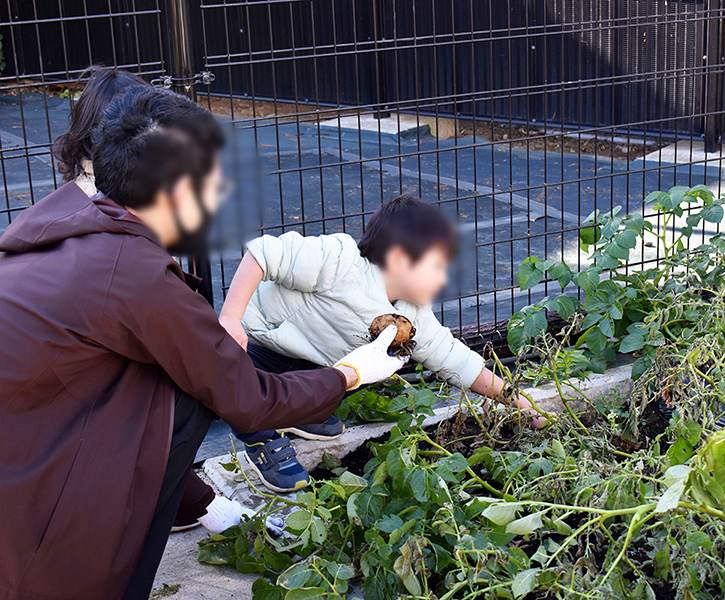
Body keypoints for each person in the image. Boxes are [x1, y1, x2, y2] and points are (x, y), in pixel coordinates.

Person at [0, 86, 406, 600]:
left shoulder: (61, 221)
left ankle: (186, 512)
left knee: (174, 378)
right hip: (34, 521)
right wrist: (352, 372)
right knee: (189, 396)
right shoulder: (134, 275)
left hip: (24, 447)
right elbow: (248, 399)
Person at [51, 65, 280, 535]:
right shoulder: (106, 217)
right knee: (188, 383)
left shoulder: (78, 208)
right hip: (71, 414)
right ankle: (217, 476)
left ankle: (195, 491)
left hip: (72, 392)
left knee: (192, 367)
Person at [217, 195, 542, 491]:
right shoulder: (340, 261)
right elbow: (265, 254)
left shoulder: (412, 314)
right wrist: (231, 317)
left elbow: (456, 360)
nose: (444, 279)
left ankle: (299, 412)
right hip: (261, 347)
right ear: (399, 259)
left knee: (369, 366)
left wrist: (522, 404)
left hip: (310, 366)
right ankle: (260, 436)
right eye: (437, 267)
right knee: (243, 386)